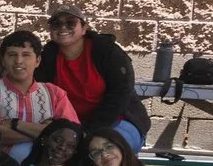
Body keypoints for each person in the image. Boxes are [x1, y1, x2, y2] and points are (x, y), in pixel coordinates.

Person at [35, 8, 149, 147]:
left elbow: (121, 95)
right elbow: (42, 94)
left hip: (117, 120)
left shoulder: (107, 52)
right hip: (69, 125)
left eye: (70, 23)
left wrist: (87, 131)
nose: (63, 27)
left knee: (104, 149)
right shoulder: (47, 57)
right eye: (56, 24)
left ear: (84, 28)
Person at [0, 30, 76, 163]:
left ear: (38, 61)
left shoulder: (55, 93)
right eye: (12, 55)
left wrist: (16, 124)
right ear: (3, 60)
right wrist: (46, 133)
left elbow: (70, 134)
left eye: (26, 55)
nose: (19, 61)